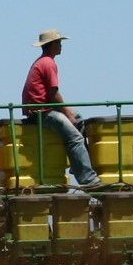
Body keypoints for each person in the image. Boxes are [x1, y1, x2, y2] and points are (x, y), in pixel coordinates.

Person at [22, 29, 103, 189]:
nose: (61, 46)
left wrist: (71, 114)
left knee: (79, 120)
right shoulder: (48, 63)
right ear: (51, 45)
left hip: (42, 108)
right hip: (41, 112)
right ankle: (88, 180)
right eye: (59, 43)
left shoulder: (42, 61)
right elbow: (53, 92)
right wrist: (66, 112)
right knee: (75, 138)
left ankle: (78, 165)